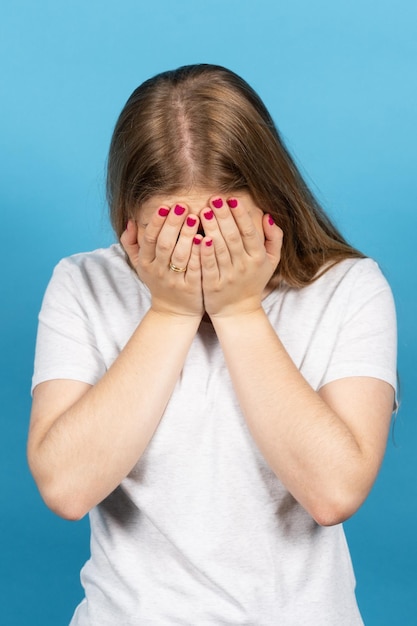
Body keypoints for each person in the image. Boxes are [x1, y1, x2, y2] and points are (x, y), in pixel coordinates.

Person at [27, 64, 397, 625]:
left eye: (222, 231)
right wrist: (171, 310)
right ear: (131, 223)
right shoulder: (83, 284)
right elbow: (66, 488)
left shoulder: (350, 287)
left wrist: (239, 310)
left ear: (272, 207)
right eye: (174, 232)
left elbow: (334, 492)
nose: (201, 255)